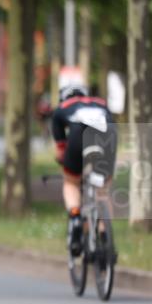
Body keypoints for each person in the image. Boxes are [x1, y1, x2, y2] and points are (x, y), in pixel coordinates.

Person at [50, 83, 115, 256]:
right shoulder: (101, 103)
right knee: (103, 188)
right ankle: (104, 234)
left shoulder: (62, 108)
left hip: (79, 134)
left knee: (71, 182)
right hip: (107, 134)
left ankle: (75, 216)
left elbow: (61, 152)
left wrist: (66, 165)